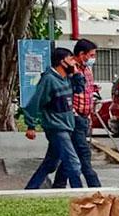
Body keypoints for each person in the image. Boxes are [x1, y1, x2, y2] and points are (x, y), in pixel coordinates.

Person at [24, 48, 83, 189]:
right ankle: (80, 195)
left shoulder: (67, 79)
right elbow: (34, 103)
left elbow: (79, 89)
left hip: (67, 126)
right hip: (57, 128)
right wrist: (31, 125)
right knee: (74, 164)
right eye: (71, 59)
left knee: (50, 164)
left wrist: (76, 74)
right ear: (62, 62)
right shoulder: (49, 80)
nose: (74, 62)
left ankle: (29, 191)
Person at [54, 39, 101, 188]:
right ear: (82, 54)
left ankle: (59, 185)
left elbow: (86, 89)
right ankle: (95, 187)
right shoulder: (70, 70)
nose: (93, 58)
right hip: (74, 117)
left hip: (84, 116)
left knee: (70, 154)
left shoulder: (87, 69)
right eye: (91, 55)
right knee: (83, 154)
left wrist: (93, 90)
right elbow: (67, 92)